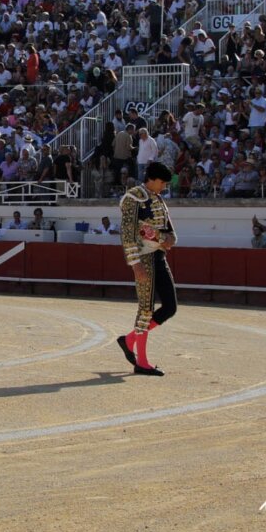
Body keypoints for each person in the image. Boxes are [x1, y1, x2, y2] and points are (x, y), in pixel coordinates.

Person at [117, 161, 177, 377]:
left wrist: (166, 238)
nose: (164, 187)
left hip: (159, 256)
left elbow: (170, 232)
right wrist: (135, 265)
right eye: (162, 183)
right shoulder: (134, 197)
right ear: (151, 179)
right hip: (143, 258)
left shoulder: (157, 198)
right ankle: (141, 362)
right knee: (145, 309)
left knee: (170, 307)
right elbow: (128, 233)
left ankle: (129, 339)